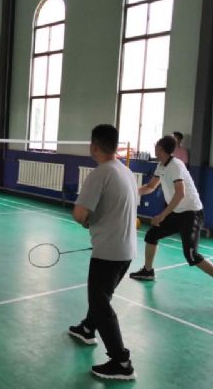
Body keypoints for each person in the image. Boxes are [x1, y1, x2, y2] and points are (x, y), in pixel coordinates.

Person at [129, 135, 213, 309]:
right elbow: (151, 186)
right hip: (177, 211)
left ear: (161, 149)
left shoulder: (175, 166)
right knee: (152, 235)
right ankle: (148, 271)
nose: (154, 147)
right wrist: (131, 191)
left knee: (191, 255)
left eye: (156, 145)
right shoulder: (161, 165)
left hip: (191, 213)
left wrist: (162, 215)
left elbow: (180, 193)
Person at [68, 124, 138, 380]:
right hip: (127, 250)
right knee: (102, 296)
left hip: (108, 252)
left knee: (100, 304)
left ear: (94, 146)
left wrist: (86, 220)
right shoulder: (126, 171)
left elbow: (79, 214)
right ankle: (88, 328)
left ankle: (121, 362)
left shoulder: (100, 174)